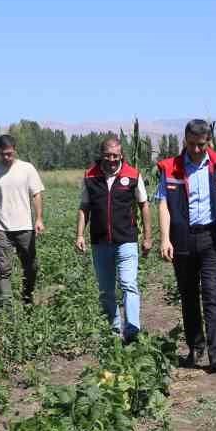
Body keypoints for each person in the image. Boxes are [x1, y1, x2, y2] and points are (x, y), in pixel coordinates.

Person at [155, 119, 216, 372]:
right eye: (191, 144)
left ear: (208, 141)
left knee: (212, 295)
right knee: (189, 296)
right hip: (183, 238)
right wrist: (165, 238)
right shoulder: (171, 168)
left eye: (201, 145)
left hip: (212, 239)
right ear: (185, 141)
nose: (196, 149)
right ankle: (196, 347)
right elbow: (163, 205)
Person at [77, 137, 152, 340]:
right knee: (106, 290)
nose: (111, 159)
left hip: (126, 240)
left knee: (129, 284)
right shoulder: (90, 176)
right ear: (101, 155)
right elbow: (84, 207)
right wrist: (80, 235)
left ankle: (132, 330)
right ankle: (114, 330)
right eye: (107, 155)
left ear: (121, 155)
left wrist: (147, 237)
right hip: (100, 242)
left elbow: (144, 205)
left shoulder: (133, 175)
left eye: (115, 155)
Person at [0, 134, 45, 306]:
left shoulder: (27, 169)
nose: (6, 157)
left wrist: (39, 219)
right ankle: (6, 309)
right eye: (2, 154)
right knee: (3, 269)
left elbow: (36, 194)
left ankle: (27, 299)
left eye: (9, 153)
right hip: (1, 228)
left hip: (25, 227)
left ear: (15, 149)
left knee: (31, 266)